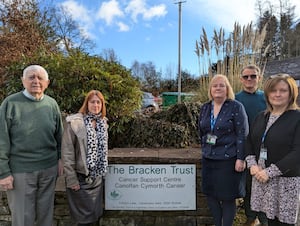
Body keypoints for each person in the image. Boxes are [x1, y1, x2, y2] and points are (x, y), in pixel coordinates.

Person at [0, 65, 63, 226]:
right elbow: (2, 139)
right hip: (20, 170)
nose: (36, 81)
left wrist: (60, 159)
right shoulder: (10, 104)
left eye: (40, 78)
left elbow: (59, 137)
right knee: (22, 218)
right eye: (31, 77)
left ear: (47, 83)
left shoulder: (52, 104)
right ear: (23, 81)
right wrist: (3, 172)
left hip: (48, 169)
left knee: (45, 215)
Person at [245, 74, 300, 226]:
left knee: (283, 223)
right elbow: (249, 141)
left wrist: (269, 172)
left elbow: (297, 152)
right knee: (269, 220)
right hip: (261, 178)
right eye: (273, 90)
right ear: (267, 94)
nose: (277, 94)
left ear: (291, 93)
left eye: (283, 90)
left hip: (284, 182)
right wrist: (252, 164)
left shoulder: (297, 118)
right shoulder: (261, 116)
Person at [198, 74, 249, 226]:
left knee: (227, 197)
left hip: (229, 159)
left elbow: (242, 134)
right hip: (209, 158)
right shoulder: (205, 107)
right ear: (210, 89)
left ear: (228, 89)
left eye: (222, 85)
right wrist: (205, 147)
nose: (218, 88)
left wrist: (241, 158)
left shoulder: (235, 106)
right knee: (211, 195)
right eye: (215, 85)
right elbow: (201, 132)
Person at [62, 90, 108, 226]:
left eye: (98, 102)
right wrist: (71, 179)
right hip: (80, 179)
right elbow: (67, 152)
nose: (95, 105)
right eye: (92, 102)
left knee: (95, 216)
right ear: (86, 103)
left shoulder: (103, 123)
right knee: (82, 220)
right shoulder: (75, 123)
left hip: (97, 179)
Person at [235, 65, 268, 226]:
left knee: (263, 181)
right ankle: (250, 216)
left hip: (265, 147)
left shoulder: (267, 98)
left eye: (253, 76)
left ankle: (264, 216)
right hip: (243, 148)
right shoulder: (235, 99)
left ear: (259, 78)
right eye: (246, 76)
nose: (249, 79)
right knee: (248, 183)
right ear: (241, 79)